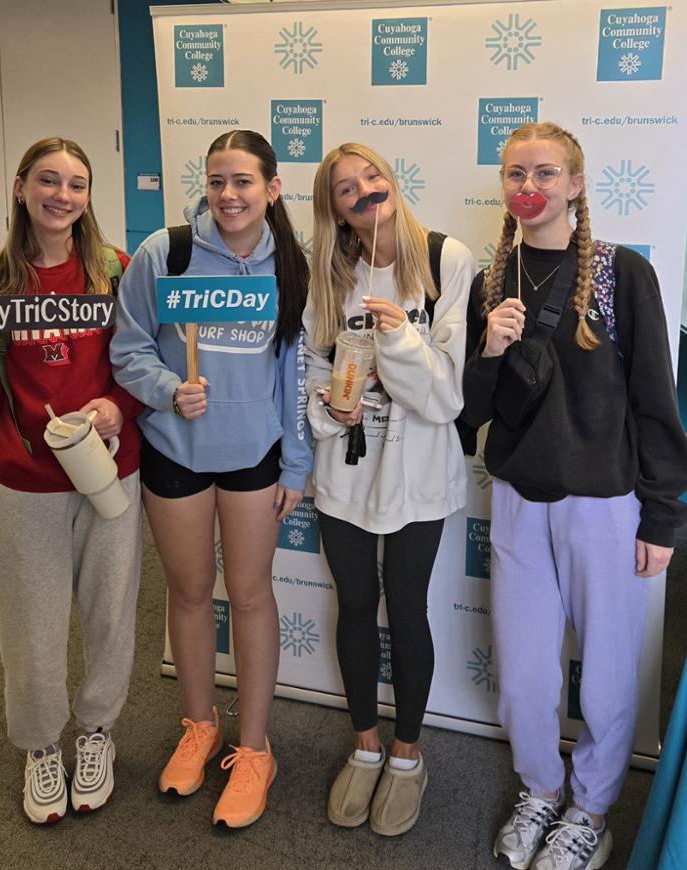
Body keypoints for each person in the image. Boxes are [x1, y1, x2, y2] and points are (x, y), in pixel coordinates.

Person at [462, 121, 687, 870]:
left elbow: (657, 402)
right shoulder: (490, 283)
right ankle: (539, 789)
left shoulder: (624, 274)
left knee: (611, 668)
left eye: (546, 173)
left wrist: (661, 515)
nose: (530, 187)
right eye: (516, 173)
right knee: (525, 671)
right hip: (522, 500)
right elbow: (472, 414)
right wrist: (489, 350)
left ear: (576, 184)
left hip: (606, 503)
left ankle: (591, 809)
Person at [110, 129, 311, 828]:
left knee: (251, 596)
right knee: (191, 594)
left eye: (244, 182)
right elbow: (127, 347)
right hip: (175, 450)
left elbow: (294, 370)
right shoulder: (167, 253)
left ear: (272, 189)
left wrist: (298, 461)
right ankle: (201, 726)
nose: (229, 195)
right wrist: (168, 389)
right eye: (217, 181)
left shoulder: (290, 263)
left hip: (254, 453)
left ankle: (254, 749)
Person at [0, 137, 142, 824]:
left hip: (111, 473)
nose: (63, 195)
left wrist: (120, 406)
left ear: (88, 198)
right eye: (48, 181)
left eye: (77, 184)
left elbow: (144, 367)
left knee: (112, 614)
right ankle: (40, 747)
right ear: (21, 188)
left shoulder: (115, 270)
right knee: (30, 622)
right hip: (24, 483)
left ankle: (97, 734)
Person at [302, 143, 474, 836]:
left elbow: (447, 397)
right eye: (348, 189)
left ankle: (408, 757)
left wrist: (400, 336)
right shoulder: (329, 272)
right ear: (337, 213)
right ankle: (366, 746)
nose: (366, 191)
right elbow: (313, 363)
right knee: (354, 604)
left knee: (406, 608)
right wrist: (328, 403)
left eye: (372, 176)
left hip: (420, 468)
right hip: (346, 464)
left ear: (391, 182)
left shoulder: (443, 258)